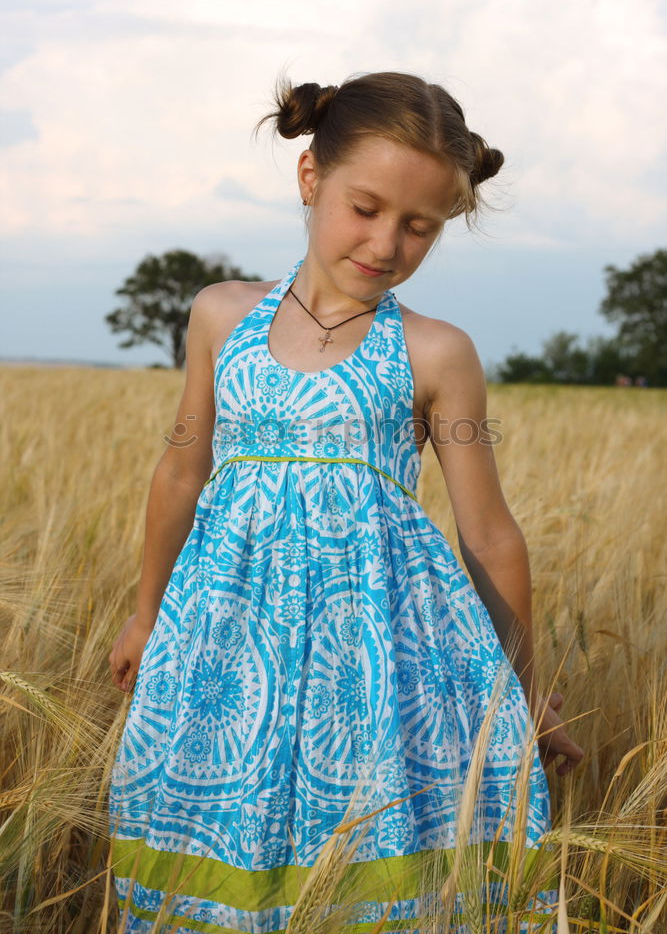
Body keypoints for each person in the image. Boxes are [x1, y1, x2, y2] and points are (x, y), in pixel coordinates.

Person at [107, 71, 584, 933]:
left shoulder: (438, 353)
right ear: (309, 179)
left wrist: (517, 696)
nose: (387, 241)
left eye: (419, 227)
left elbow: (487, 533)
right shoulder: (221, 316)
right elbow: (182, 471)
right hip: (223, 645)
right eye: (365, 207)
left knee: (363, 842)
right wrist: (145, 614)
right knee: (221, 831)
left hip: (375, 661)